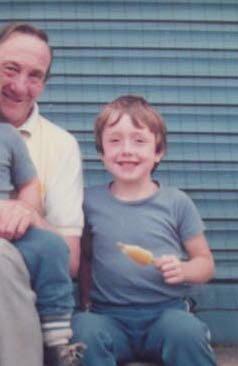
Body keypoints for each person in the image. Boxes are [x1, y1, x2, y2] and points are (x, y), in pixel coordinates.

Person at [72, 95, 217, 365]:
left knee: (187, 332)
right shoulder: (88, 201)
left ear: (158, 151)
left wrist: (184, 270)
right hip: (108, 317)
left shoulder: (176, 202)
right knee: (83, 331)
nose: (127, 150)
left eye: (139, 140)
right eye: (114, 140)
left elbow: (205, 263)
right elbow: (82, 259)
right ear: (102, 153)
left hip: (166, 314)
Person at [0, 23, 85, 366]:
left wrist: (25, 213)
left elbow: (70, 260)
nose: (20, 86)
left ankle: (54, 340)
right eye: (10, 69)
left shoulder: (59, 145)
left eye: (35, 76)